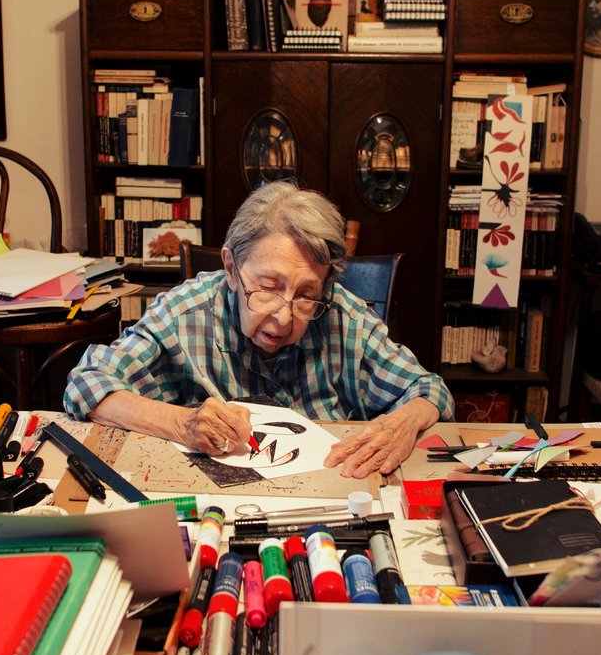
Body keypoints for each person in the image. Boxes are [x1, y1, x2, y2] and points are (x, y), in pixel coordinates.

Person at [64, 182, 451, 477]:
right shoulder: (184, 313)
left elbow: (429, 390)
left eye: (306, 295)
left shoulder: (343, 317)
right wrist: (182, 424)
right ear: (231, 269)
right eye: (268, 288)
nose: (284, 318)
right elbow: (87, 383)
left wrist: (404, 421)